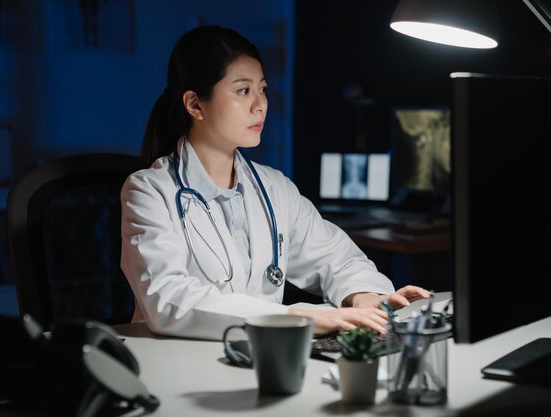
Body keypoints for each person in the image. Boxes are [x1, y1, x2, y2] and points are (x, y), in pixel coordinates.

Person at [120, 25, 430, 340]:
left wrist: (366, 297)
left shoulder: (273, 188)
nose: (261, 105)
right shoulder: (149, 191)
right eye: (243, 91)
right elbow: (168, 299)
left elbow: (336, 257)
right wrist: (296, 317)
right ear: (195, 104)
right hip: (177, 365)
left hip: (262, 358)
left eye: (263, 89)